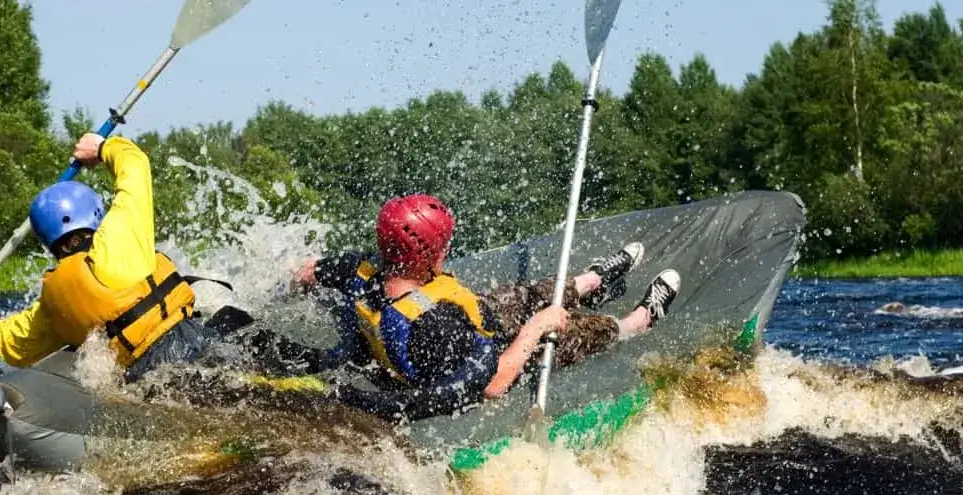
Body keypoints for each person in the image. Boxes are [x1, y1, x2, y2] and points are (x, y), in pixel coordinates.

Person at [250, 193, 681, 421]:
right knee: (570, 332)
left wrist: (273, 291)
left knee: (526, 293)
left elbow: (305, 271)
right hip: (495, 355)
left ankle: (592, 281)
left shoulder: (358, 270)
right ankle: (637, 321)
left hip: (475, 319)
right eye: (443, 244)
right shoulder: (438, 328)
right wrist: (534, 330)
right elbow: (491, 384)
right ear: (426, 256)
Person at [0, 132, 218, 379]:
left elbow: (12, 343)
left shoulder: (53, 301)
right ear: (96, 214)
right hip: (194, 347)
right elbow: (135, 165)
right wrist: (102, 148)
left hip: (143, 381)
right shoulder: (117, 237)